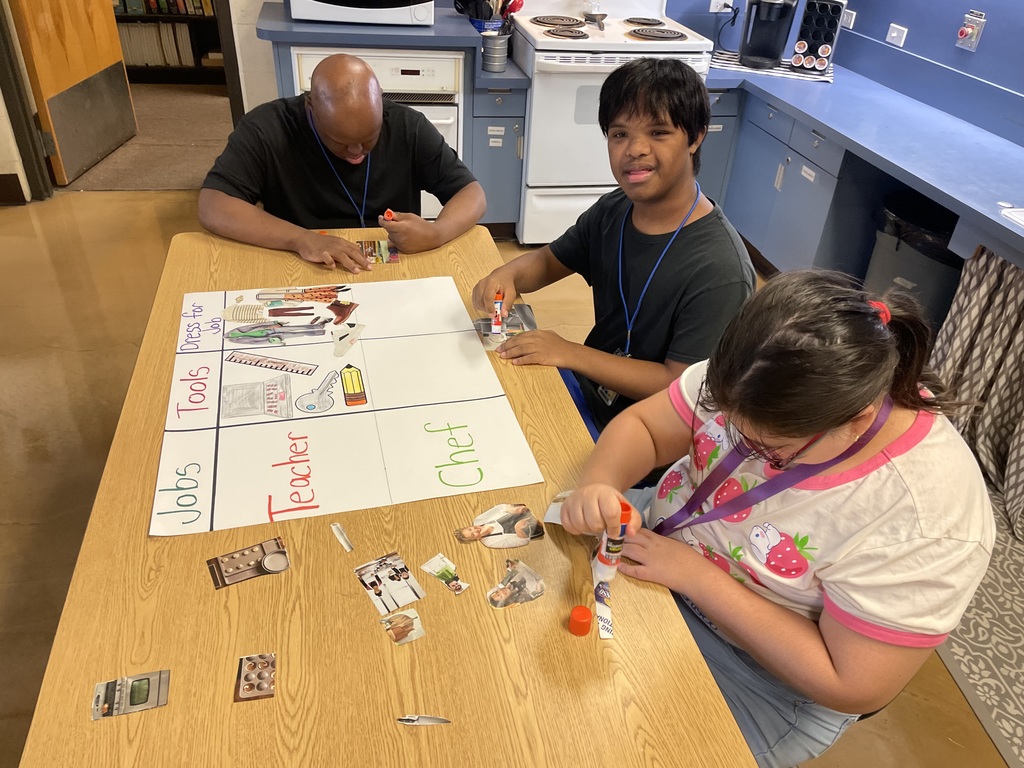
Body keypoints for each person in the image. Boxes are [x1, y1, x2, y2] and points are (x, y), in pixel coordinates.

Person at [559, 270, 994, 768]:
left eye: (772, 451)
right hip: (656, 550)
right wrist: (600, 482)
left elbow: (850, 685)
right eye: (729, 426)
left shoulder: (926, 516)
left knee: (617, 744)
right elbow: (647, 428)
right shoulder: (757, 373)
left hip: (762, 675)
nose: (741, 448)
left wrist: (696, 577)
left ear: (855, 421)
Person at [471, 58, 754, 432]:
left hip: (647, 443)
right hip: (591, 392)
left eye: (658, 132)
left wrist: (571, 353)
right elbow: (548, 261)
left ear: (696, 136)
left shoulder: (721, 270)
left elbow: (683, 386)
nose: (635, 149)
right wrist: (506, 274)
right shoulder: (615, 209)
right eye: (620, 134)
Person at [198, 54, 486, 273]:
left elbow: (471, 193)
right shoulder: (266, 128)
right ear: (311, 108)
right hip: (303, 265)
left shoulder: (407, 126)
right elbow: (213, 204)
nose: (356, 151)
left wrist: (437, 232)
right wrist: (300, 239)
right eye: (341, 141)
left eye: (368, 138)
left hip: (390, 266)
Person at [453, 503, 543, 548]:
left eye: (470, 529)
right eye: (473, 534)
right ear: (475, 539)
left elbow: (500, 507)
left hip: (529, 509)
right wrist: (519, 529)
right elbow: (523, 542)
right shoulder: (490, 542)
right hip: (535, 527)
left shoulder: (478, 520)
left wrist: (511, 509)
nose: (475, 529)